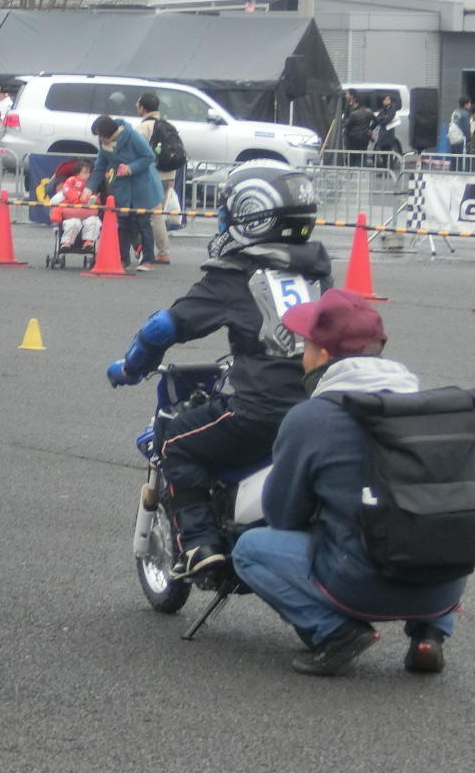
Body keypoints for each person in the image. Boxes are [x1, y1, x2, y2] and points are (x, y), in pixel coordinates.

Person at [231, 290, 472, 677]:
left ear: (323, 356)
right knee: (424, 526)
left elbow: (282, 514)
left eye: (306, 345)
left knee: (249, 549)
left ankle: (336, 631)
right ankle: (429, 636)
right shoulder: (425, 403)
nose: (301, 355)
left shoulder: (312, 417)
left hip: (363, 585)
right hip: (447, 583)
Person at [105, 162, 332, 569]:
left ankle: (200, 545)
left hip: (260, 410)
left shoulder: (234, 274)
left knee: (174, 441)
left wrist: (130, 368)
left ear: (250, 215)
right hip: (320, 407)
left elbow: (163, 328)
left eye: (228, 212)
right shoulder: (316, 272)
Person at [88, 112, 163, 271]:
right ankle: (122, 259)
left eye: (101, 136)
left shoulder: (132, 137)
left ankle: (147, 260)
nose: (100, 140)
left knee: (143, 223)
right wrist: (89, 188)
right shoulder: (104, 145)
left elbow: (149, 156)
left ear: (110, 134)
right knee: (122, 224)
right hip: (122, 187)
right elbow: (100, 167)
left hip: (142, 185)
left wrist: (131, 168)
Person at [135, 91, 182, 266]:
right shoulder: (167, 125)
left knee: (154, 215)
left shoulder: (144, 128)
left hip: (152, 175)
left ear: (143, 108)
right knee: (157, 213)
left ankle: (162, 252)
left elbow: (137, 152)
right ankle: (157, 251)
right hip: (169, 174)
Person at [47, 160, 101, 252]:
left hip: (87, 209)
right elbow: (67, 190)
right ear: (77, 173)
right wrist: (78, 198)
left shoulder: (91, 184)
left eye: (89, 173)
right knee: (73, 223)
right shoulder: (71, 180)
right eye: (85, 172)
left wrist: (95, 200)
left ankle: (89, 242)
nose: (88, 175)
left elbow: (95, 196)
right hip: (72, 208)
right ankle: (66, 242)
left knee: (93, 222)